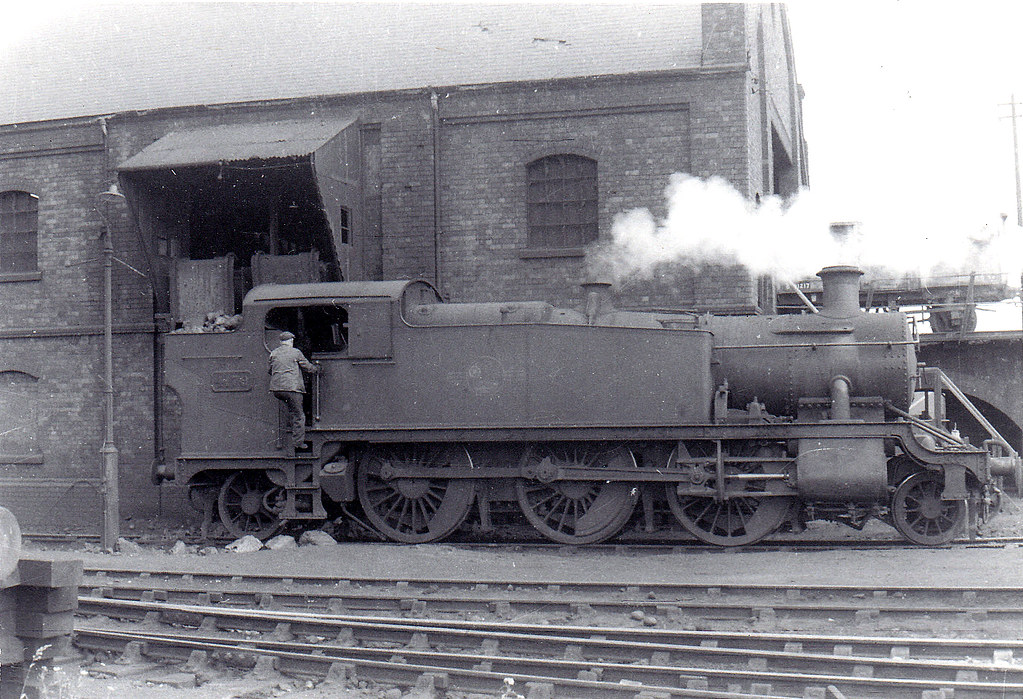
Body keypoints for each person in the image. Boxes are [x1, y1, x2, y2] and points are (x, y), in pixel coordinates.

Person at [268, 331, 319, 452]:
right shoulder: (295, 352)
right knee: (299, 415)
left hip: (276, 390)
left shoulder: (273, 353)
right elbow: (307, 367)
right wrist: (316, 369)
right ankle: (298, 443)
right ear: (291, 341)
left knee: (291, 409)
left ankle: (290, 430)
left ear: (281, 342)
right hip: (292, 389)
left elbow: (270, 370)